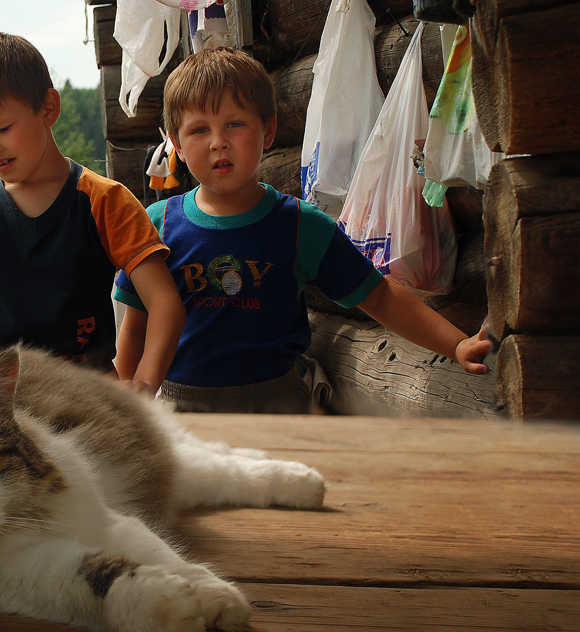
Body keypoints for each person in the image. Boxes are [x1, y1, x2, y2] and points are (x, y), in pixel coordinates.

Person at [113, 47, 492, 414]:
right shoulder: (157, 224)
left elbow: (379, 297)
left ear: (268, 130)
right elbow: (134, 327)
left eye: (235, 123)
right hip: (181, 418)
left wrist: (456, 344)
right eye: (199, 130)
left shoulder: (299, 224)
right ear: (176, 144)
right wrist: (127, 402)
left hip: (280, 411)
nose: (218, 142)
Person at [0, 32, 185, 394]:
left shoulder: (106, 201)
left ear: (48, 108)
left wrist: (145, 382)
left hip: (90, 403)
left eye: (2, 129)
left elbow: (165, 303)